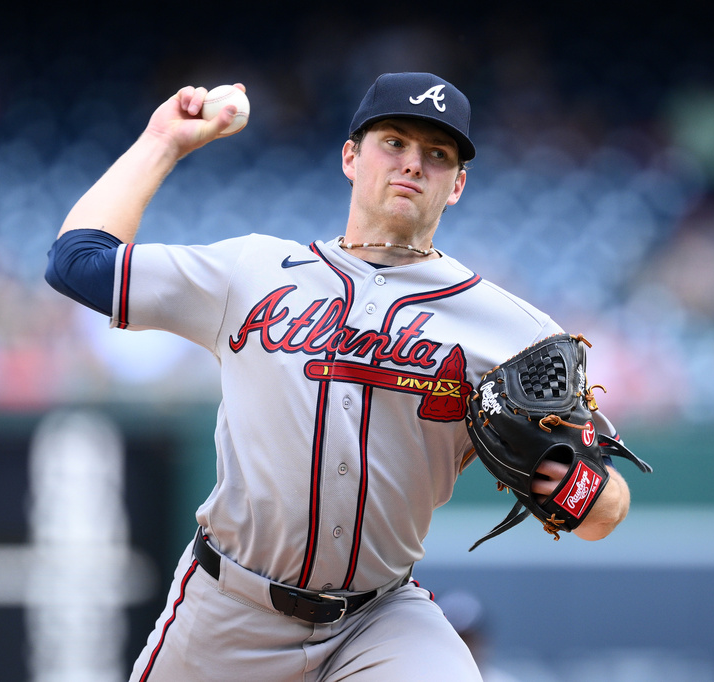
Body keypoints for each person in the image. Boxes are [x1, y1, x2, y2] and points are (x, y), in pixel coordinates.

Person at [45, 72, 632, 681]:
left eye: (437, 155)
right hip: (228, 608)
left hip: (378, 621)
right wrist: (162, 141)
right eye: (394, 142)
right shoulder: (251, 270)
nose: (412, 164)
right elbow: (78, 263)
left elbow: (604, 513)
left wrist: (569, 484)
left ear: (457, 185)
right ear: (351, 157)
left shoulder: (513, 332)